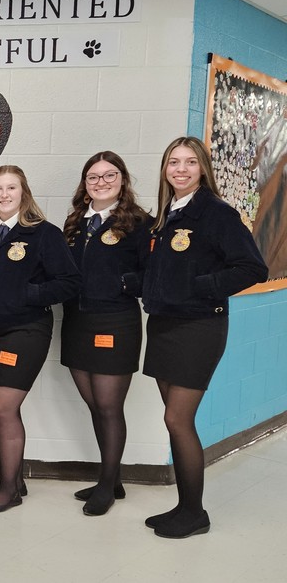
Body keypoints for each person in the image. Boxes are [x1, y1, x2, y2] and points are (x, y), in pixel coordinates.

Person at [141, 136, 267, 538]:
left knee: (178, 419)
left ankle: (195, 514)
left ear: (202, 169)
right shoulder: (167, 213)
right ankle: (183, 506)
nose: (180, 169)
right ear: (165, 169)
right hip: (163, 324)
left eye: (190, 162)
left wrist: (201, 286)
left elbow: (252, 267)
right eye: (173, 162)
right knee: (174, 421)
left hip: (198, 326)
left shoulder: (216, 213)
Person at [0, 165, 80, 513]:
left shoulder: (45, 234)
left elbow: (69, 283)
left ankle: (8, 488)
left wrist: (25, 294)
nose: (3, 195)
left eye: (10, 188)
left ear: (23, 192)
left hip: (24, 331)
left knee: (3, 407)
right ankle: (16, 478)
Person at [60, 152, 151, 516]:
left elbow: (152, 273)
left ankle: (107, 485)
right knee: (94, 403)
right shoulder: (75, 222)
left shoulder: (139, 222)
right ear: (85, 184)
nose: (101, 182)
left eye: (109, 175)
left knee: (110, 406)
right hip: (76, 321)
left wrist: (122, 284)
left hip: (115, 321)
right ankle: (111, 479)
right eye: (93, 177)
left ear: (123, 179)